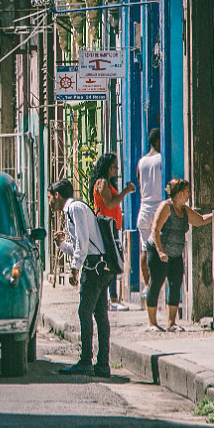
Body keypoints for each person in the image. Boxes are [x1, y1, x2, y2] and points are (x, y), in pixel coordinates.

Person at [50, 179, 112, 377]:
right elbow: (81, 246)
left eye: (50, 198)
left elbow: (83, 244)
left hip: (93, 268)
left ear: (57, 195)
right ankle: (103, 364)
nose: (49, 202)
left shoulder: (75, 208)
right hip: (99, 265)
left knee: (85, 312)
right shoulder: (75, 209)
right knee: (100, 315)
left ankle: (87, 360)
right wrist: (61, 245)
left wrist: (74, 269)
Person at [147, 179, 213, 332]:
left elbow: (200, 220)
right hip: (159, 252)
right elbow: (155, 230)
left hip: (175, 254)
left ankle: (171, 323)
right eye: (188, 191)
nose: (190, 194)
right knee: (156, 283)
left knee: (175, 285)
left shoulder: (183, 209)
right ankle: (151, 323)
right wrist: (161, 251)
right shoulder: (166, 207)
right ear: (180, 193)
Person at [91, 153, 136, 311]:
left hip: (112, 227)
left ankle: (112, 297)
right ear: (107, 167)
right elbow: (109, 204)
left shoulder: (107, 183)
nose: (116, 169)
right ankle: (112, 298)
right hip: (106, 228)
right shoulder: (102, 183)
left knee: (113, 260)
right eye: (114, 167)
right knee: (111, 261)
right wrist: (125, 192)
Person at [136, 129, 163, 296]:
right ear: (159, 141)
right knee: (163, 250)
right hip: (158, 209)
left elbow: (140, 186)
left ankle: (147, 286)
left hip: (144, 210)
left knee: (145, 250)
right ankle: (160, 288)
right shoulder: (161, 159)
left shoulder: (141, 162)